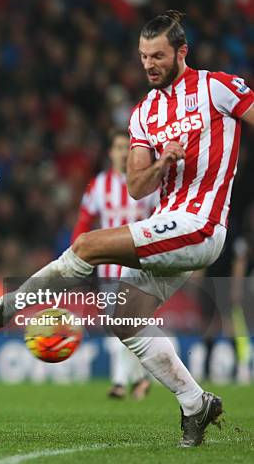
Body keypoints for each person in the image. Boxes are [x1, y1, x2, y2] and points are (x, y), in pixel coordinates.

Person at [0, 10, 254, 447]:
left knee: (87, 245)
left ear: (181, 52)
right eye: (142, 56)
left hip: (203, 223)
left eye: (158, 56)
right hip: (170, 226)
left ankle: (7, 308)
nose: (149, 64)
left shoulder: (218, 88)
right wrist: (163, 162)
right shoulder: (144, 114)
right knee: (123, 317)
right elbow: (135, 185)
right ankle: (195, 403)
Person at [71, 129, 156, 399]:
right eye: (118, 147)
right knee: (120, 326)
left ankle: (120, 383)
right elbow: (84, 222)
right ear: (110, 152)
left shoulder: (148, 184)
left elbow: (161, 219)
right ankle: (141, 379)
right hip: (107, 266)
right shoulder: (98, 185)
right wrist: (76, 254)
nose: (123, 152)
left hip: (140, 264)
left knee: (125, 323)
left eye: (127, 147)